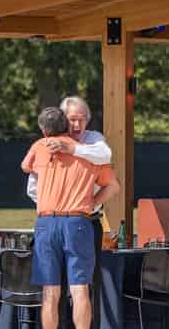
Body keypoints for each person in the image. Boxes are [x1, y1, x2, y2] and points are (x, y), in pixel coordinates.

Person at [20, 105, 118, 329]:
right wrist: (92, 203)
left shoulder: (40, 146)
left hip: (47, 222)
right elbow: (113, 186)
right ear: (68, 126)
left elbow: (25, 166)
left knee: (50, 291)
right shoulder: (90, 154)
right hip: (78, 221)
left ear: (44, 130)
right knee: (80, 289)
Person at [27, 96, 113, 250]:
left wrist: (72, 149)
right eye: (72, 119)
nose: (77, 125)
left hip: (88, 220)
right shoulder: (47, 144)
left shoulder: (93, 139)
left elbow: (106, 157)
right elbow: (32, 187)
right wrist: (55, 208)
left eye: (82, 119)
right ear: (63, 120)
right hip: (53, 221)